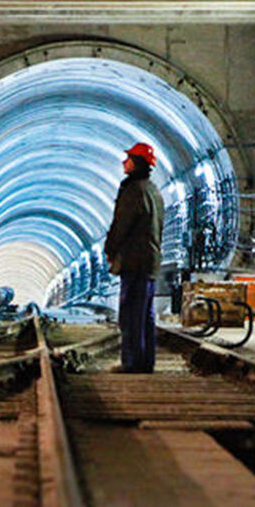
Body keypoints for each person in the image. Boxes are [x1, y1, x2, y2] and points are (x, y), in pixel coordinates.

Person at [103, 142, 164, 373]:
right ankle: (146, 362)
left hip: (134, 260)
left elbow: (122, 225)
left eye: (128, 158)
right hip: (150, 261)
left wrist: (110, 249)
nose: (124, 161)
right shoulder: (153, 191)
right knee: (145, 314)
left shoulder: (133, 191)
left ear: (137, 163)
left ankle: (132, 363)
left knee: (130, 314)